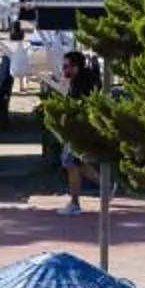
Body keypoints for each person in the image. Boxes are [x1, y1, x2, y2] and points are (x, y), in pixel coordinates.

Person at [56, 48, 105, 214]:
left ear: (75, 67)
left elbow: (75, 107)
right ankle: (105, 186)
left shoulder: (80, 84)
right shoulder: (83, 79)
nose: (64, 70)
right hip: (83, 129)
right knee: (76, 163)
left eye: (66, 66)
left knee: (71, 162)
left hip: (80, 130)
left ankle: (75, 203)